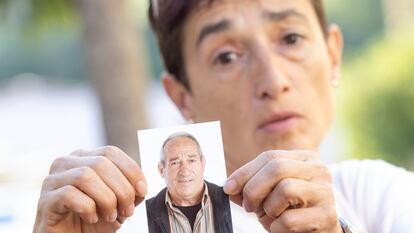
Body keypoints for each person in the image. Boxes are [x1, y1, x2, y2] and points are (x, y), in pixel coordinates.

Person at [33, 0, 414, 233]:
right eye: (227, 56)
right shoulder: (117, 224)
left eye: (291, 39)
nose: (274, 80)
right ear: (182, 97)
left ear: (332, 55)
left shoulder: (379, 196)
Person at [145, 132, 232, 233]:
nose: (185, 171)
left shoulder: (232, 201)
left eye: (191, 160)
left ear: (202, 163)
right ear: (161, 170)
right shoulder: (144, 213)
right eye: (175, 163)